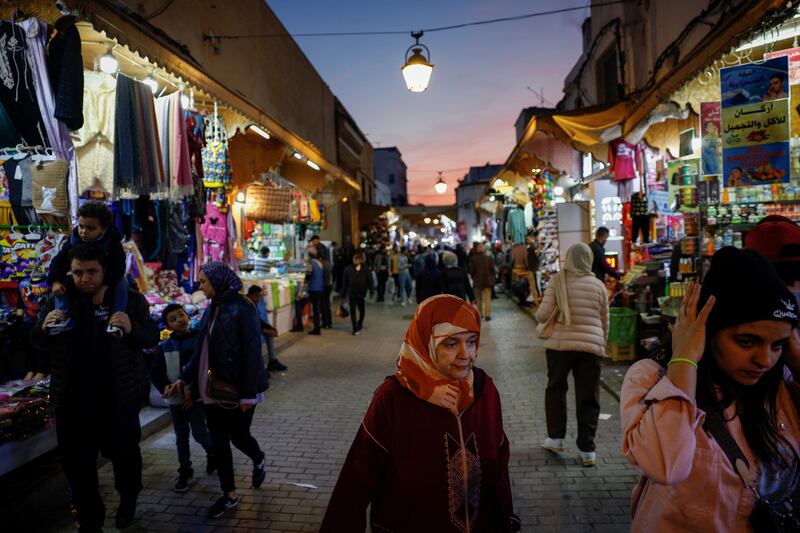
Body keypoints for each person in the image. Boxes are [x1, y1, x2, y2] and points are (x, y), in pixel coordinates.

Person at [620, 247, 800, 531]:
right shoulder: (651, 378)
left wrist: (797, 360)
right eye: (746, 341)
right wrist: (685, 360)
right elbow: (667, 465)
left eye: (777, 344)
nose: (764, 360)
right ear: (707, 329)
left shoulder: (781, 385)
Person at [320, 295, 520, 532]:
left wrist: (505, 515)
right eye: (451, 343)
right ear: (426, 341)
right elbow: (357, 476)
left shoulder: (484, 390)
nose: (466, 354)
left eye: (472, 341)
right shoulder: (394, 397)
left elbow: (498, 463)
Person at [34, 244, 159, 531]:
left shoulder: (128, 300)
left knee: (126, 459)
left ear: (105, 271)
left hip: (116, 400)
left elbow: (151, 336)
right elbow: (36, 341)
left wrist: (132, 328)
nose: (84, 278)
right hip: (72, 403)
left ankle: (128, 498)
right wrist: (43, 328)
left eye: (92, 271)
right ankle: (91, 521)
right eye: (77, 272)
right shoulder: (59, 299)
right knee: (78, 470)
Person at [167, 262, 269, 519]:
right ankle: (229, 494)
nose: (200, 286)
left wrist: (247, 393)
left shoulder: (243, 308)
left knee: (239, 437)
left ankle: (258, 459)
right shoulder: (213, 307)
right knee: (220, 444)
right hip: (210, 391)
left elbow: (252, 353)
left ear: (218, 280)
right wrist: (184, 378)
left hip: (236, 391)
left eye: (203, 281)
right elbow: (201, 350)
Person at [535, 243, 609, 466]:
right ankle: (588, 450)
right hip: (591, 348)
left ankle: (556, 439)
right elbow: (605, 321)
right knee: (589, 396)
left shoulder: (558, 282)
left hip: (560, 346)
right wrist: (600, 343)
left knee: (556, 389)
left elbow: (542, 315)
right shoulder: (598, 285)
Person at [150, 303, 215, 493]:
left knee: (199, 432)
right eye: (173, 319)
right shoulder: (165, 346)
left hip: (195, 399)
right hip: (176, 400)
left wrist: (193, 392)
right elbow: (156, 371)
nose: (179, 319)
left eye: (181, 315)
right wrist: (165, 386)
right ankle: (185, 470)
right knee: (181, 436)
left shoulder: (199, 340)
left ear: (188, 316)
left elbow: (202, 369)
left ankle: (212, 453)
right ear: (168, 327)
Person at [46, 201, 128, 336]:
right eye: (81, 226)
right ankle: (61, 317)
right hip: (81, 284)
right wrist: (55, 281)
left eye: (90, 228)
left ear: (104, 228)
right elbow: (60, 260)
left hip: (108, 278)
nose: (83, 232)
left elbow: (118, 268)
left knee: (122, 284)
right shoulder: (74, 239)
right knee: (62, 285)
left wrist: (103, 288)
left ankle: (116, 321)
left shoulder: (112, 243)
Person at [246, 285, 288, 372]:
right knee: (261, 335)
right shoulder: (246, 305)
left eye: (259, 296)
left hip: (252, 329)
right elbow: (250, 325)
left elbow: (258, 320)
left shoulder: (252, 304)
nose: (258, 299)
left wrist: (270, 328)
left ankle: (272, 361)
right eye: (256, 296)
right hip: (245, 333)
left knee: (269, 334)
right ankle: (257, 368)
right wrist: (265, 330)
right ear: (250, 295)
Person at [341, 252, 373, 335]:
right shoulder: (348, 269)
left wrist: (371, 291)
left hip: (362, 293)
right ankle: (355, 328)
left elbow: (370, 280)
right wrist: (343, 294)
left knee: (362, 310)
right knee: (352, 310)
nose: (355, 261)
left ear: (360, 260)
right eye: (354, 259)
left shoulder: (365, 269)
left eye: (357, 259)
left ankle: (360, 323)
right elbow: (344, 282)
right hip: (352, 293)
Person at [470, 243, 495, 321]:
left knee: (478, 299)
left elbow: (472, 271)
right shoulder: (489, 258)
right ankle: (487, 315)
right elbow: (492, 270)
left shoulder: (473, 259)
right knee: (487, 299)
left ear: (477, 250)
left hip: (477, 282)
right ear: (484, 250)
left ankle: (480, 314)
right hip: (487, 281)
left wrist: (473, 277)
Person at [526, 233, 541, 304]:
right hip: (532, 268)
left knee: (535, 286)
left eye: (527, 239)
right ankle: (536, 301)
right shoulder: (533, 246)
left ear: (532, 238)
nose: (527, 240)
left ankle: (537, 302)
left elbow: (537, 256)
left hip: (533, 269)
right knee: (533, 286)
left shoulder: (534, 246)